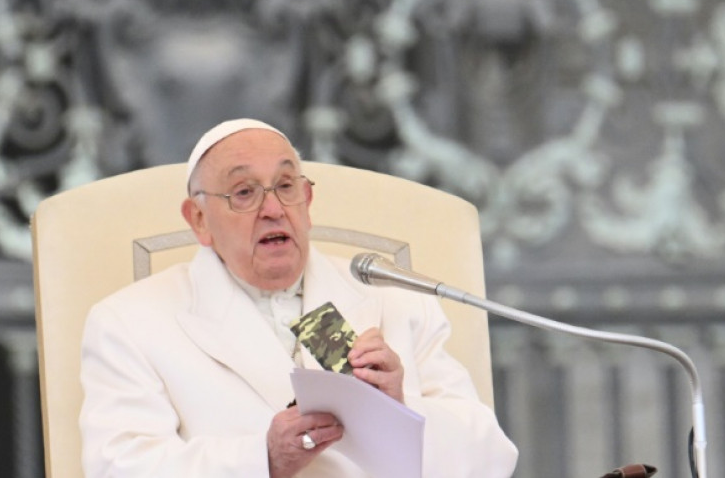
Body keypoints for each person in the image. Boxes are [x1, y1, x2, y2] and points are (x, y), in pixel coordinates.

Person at [80, 118, 518, 477]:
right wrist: (261, 459)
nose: (273, 209)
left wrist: (401, 409)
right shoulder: (128, 323)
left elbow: (490, 459)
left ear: (307, 201)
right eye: (244, 192)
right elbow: (119, 468)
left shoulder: (398, 299)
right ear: (199, 219)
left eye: (286, 186)